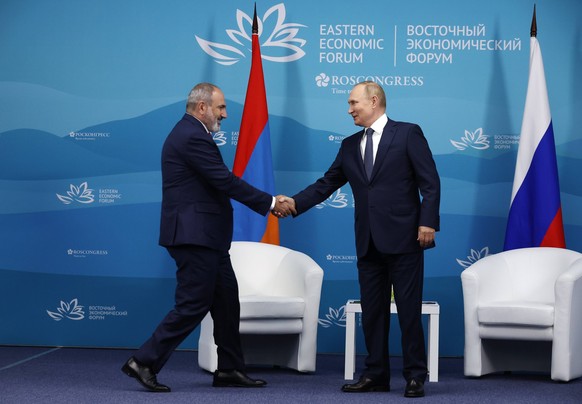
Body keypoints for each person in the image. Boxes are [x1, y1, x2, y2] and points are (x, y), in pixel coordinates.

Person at [121, 82, 295, 392]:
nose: (225, 114)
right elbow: (223, 180)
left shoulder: (192, 133)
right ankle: (144, 361)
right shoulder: (190, 136)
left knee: (227, 303)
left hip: (208, 239)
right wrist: (270, 203)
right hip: (194, 237)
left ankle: (229, 369)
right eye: (221, 107)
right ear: (202, 107)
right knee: (192, 304)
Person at [285, 81, 440, 398]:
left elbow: (431, 183)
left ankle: (414, 375)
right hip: (368, 240)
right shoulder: (349, 145)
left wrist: (428, 223)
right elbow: (326, 184)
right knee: (372, 312)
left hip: (405, 239)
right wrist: (294, 203)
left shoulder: (408, 133)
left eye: (354, 102)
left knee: (409, 311)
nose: (349, 109)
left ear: (374, 101)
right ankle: (376, 374)